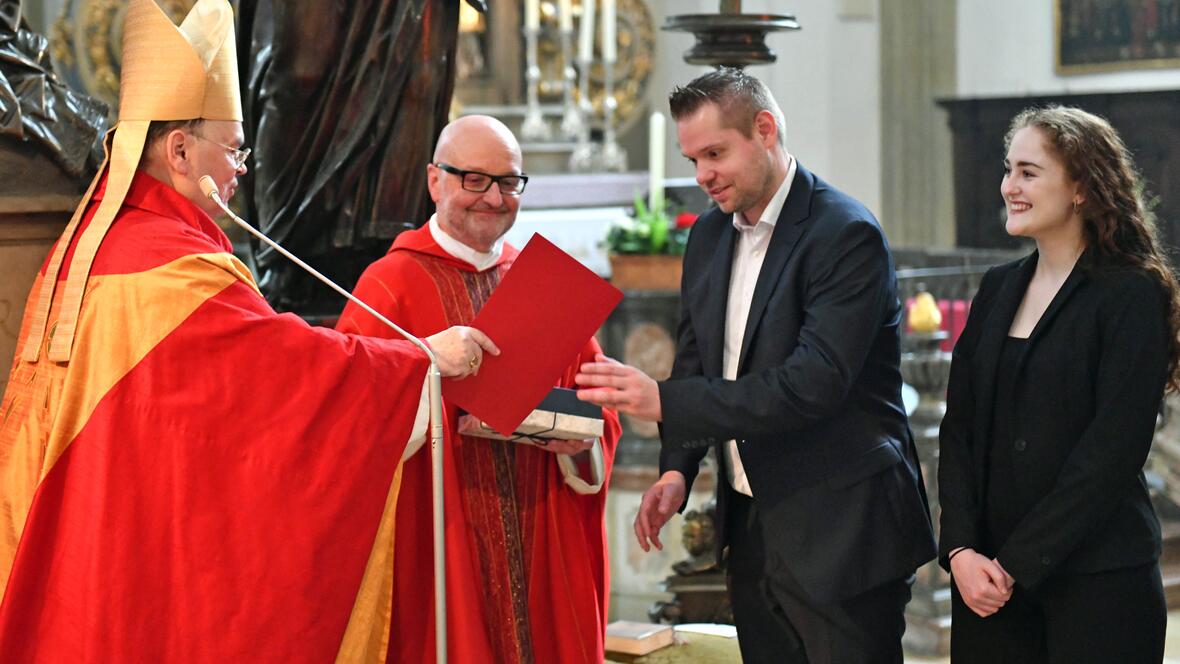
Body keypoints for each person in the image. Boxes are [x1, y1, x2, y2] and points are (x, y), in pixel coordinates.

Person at [0, 1, 494, 661]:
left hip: (88, 549)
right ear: (180, 150)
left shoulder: (99, 243)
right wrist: (421, 362)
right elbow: (288, 373)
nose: (243, 171)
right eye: (232, 150)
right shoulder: (176, 270)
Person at [576, 68, 935, 663]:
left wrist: (665, 401)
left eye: (715, 153)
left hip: (841, 532)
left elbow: (811, 386)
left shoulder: (844, 234)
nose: (702, 176)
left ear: (764, 130)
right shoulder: (710, 238)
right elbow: (697, 362)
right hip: (752, 530)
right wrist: (677, 470)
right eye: (692, 158)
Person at [336, 114, 621, 664]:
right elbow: (348, 414)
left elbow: (596, 402)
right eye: (474, 179)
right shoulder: (388, 284)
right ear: (435, 181)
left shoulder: (542, 282)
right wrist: (424, 382)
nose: (493, 198)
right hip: (439, 543)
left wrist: (580, 441)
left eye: (508, 182)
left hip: (539, 526)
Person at [938, 105, 1175, 663]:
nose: (1009, 187)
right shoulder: (997, 288)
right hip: (987, 586)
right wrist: (960, 548)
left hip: (1097, 583)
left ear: (1081, 189)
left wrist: (1016, 563)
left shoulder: (1130, 294)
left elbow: (1111, 452)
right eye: (1007, 169)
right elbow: (960, 429)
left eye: (1028, 171)